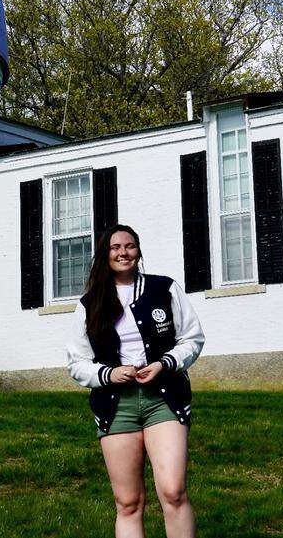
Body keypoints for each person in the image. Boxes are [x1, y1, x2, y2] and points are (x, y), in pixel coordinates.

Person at [66, 224, 205, 538]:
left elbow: (192, 340)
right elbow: (77, 363)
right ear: (105, 255)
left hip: (163, 399)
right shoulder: (89, 304)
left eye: (129, 246)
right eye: (115, 248)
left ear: (138, 251)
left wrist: (163, 363)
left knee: (173, 491)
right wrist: (110, 374)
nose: (123, 252)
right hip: (117, 406)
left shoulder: (164, 288)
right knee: (127, 502)